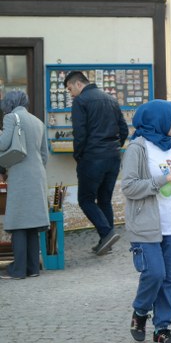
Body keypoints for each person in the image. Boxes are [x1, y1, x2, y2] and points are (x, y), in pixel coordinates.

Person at [121, 99, 171, 343]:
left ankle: (162, 329)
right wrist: (160, 181)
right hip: (146, 224)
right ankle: (140, 312)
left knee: (170, 277)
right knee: (155, 273)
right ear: (158, 120)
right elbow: (128, 187)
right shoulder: (137, 149)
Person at [65, 71, 128, 256]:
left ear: (78, 84)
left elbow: (80, 134)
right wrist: (115, 147)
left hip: (92, 158)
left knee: (85, 199)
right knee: (104, 199)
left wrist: (79, 156)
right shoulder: (110, 99)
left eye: (70, 89)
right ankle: (105, 241)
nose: (71, 94)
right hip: (113, 157)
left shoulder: (81, 101)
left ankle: (106, 233)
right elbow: (123, 129)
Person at [0, 91, 49, 280]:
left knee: (19, 221)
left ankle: (18, 270)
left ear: (9, 103)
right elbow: (44, 155)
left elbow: (4, 144)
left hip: (20, 174)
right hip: (37, 175)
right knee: (32, 222)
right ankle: (33, 268)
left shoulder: (12, 117)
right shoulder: (38, 122)